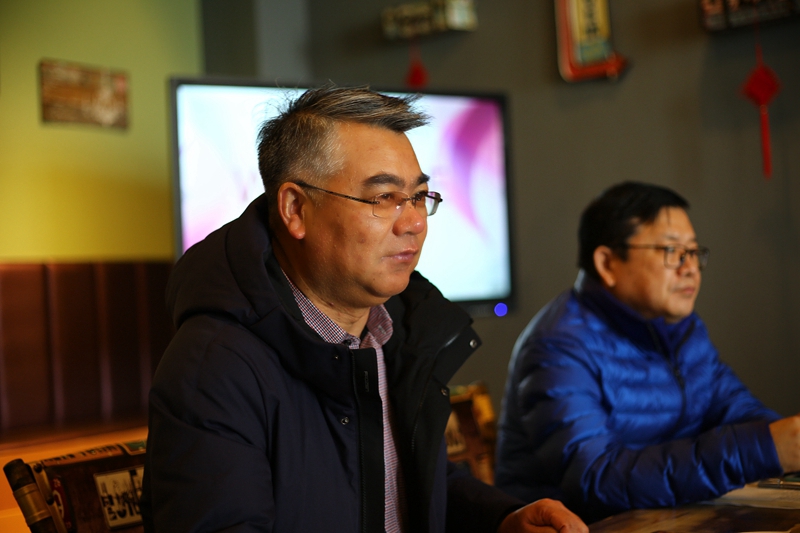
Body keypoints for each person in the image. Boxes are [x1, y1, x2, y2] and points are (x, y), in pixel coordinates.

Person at [140, 85, 586, 533]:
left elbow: (397, 483)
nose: (414, 222)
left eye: (419, 196)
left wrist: (501, 520)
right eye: (383, 198)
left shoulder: (395, 331)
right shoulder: (213, 369)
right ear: (295, 209)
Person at [495, 181, 800, 523]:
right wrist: (763, 448)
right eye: (672, 251)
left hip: (665, 520)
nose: (690, 267)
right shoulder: (557, 346)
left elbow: (735, 409)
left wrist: (785, 439)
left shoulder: (680, 328)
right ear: (607, 263)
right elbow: (596, 479)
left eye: (694, 252)